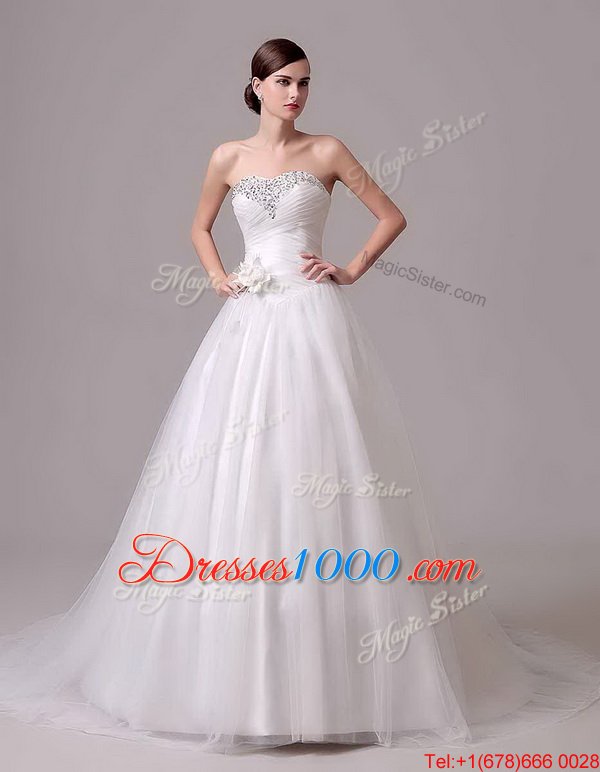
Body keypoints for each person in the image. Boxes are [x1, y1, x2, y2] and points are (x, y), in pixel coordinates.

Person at [1, 37, 599, 756]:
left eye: (305, 82)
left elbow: (391, 215)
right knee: (239, 473)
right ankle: (232, 672)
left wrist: (350, 267)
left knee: (326, 464)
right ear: (255, 86)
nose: (296, 94)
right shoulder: (227, 156)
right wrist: (218, 276)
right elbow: (199, 226)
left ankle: (343, 670)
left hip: (315, 321)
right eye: (283, 81)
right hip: (249, 322)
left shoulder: (328, 150)